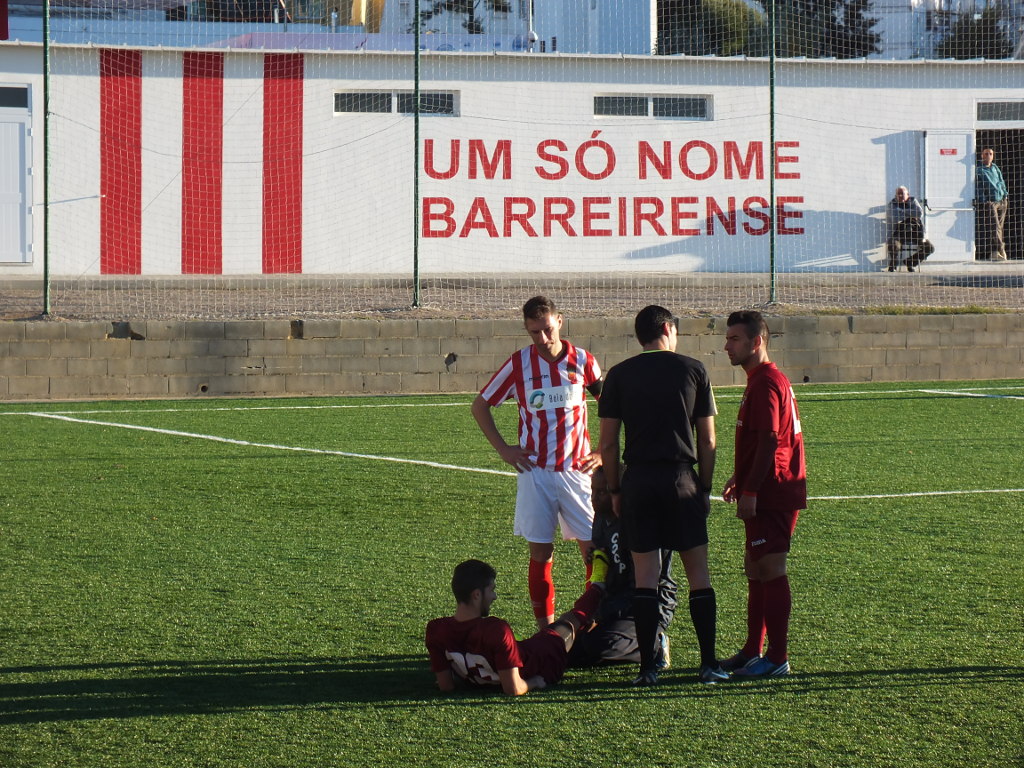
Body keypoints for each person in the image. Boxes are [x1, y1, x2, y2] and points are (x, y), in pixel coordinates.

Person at [597, 305, 726, 686]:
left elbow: (608, 444)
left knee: (645, 579)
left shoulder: (619, 374)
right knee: (698, 575)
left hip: (638, 481)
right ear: (668, 329)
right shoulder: (693, 369)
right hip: (681, 479)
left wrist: (615, 489)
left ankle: (648, 668)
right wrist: (704, 487)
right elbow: (708, 439)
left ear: (640, 336)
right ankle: (708, 663)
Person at [471, 296, 603, 630]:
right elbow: (480, 405)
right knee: (541, 554)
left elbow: (611, 406)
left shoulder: (584, 361)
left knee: (594, 552)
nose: (543, 338)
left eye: (547, 329)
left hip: (577, 471)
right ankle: (546, 632)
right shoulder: (518, 364)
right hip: (535, 473)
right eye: (534, 332)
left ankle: (592, 626)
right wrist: (504, 449)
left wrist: (603, 450)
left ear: (559, 321)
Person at [721, 310, 807, 679]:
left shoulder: (767, 383)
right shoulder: (761, 380)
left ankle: (777, 657)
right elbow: (761, 439)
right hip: (765, 486)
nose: (727, 346)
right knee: (755, 568)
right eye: (727, 339)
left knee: (770, 568)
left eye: (735, 339)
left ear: (756, 342)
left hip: (773, 491)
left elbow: (771, 439)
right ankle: (752, 650)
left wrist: (752, 489)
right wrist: (739, 477)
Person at [425, 557, 607, 695]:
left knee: (575, 624)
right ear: (476, 595)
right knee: (572, 620)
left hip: (520, 653)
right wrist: (535, 682)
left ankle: (593, 616)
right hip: (542, 658)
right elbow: (514, 688)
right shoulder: (495, 629)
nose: (494, 596)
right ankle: (599, 584)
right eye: (491, 590)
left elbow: (446, 686)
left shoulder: (436, 629)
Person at [567, 466, 678, 669]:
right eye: (593, 490)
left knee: (603, 645)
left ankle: (655, 645)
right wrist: (598, 557)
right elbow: (609, 567)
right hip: (616, 603)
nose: (594, 498)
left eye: (602, 492)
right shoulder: (602, 517)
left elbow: (644, 586)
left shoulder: (638, 523)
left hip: (646, 608)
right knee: (571, 650)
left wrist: (605, 612)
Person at [886, 186, 934, 272]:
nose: (900, 196)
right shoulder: (892, 204)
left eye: (902, 194)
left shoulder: (913, 201)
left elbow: (919, 213)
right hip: (899, 232)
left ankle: (910, 262)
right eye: (898, 194)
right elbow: (895, 218)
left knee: (929, 248)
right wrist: (911, 214)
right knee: (893, 244)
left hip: (915, 232)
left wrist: (901, 211)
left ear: (908, 195)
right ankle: (893, 264)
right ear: (896, 195)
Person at [976, 148, 1009, 262]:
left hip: (1002, 201)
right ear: (982, 156)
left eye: (991, 154)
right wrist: (985, 200)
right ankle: (1001, 249)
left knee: (1000, 227)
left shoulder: (995, 167)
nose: (989, 156)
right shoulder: (979, 170)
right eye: (986, 154)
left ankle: (995, 252)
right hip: (991, 202)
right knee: (995, 226)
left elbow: (1001, 180)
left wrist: (1005, 195)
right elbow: (979, 186)